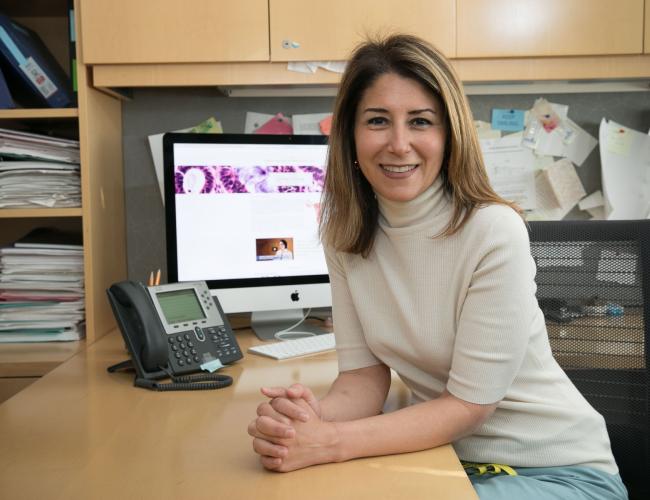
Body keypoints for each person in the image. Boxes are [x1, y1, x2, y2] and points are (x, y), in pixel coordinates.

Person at [247, 34, 628, 500]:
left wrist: (330, 442)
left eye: (421, 122)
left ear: (448, 136)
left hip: (557, 472)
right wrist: (307, 422)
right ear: (350, 132)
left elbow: (469, 406)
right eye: (378, 120)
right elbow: (363, 378)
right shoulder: (344, 236)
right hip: (447, 461)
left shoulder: (493, 231)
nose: (399, 143)